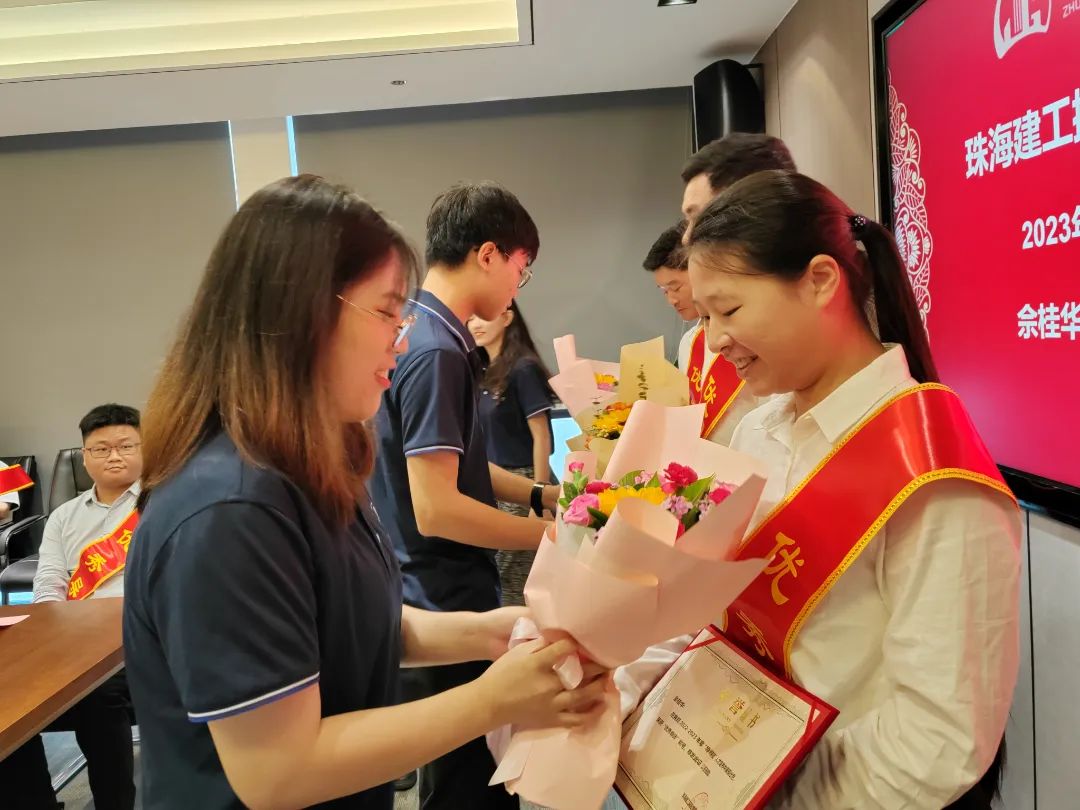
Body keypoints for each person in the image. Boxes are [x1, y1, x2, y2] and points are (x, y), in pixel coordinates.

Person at [122, 174, 606, 810]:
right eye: (385, 313)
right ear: (301, 316)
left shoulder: (309, 464)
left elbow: (352, 622)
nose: (401, 339)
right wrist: (493, 699)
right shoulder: (230, 509)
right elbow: (278, 772)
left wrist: (493, 632)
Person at [617, 170, 1020, 809]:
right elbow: (713, 610)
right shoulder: (758, 429)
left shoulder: (934, 477)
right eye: (706, 314)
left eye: (729, 311)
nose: (713, 340)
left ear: (821, 280)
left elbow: (937, 740)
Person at [371, 181, 563, 809]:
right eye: (520, 268)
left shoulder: (423, 329)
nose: (517, 286)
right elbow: (437, 509)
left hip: (423, 581)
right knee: (468, 785)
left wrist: (540, 496)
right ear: (487, 254)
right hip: (441, 588)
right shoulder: (436, 351)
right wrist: (555, 535)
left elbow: (462, 465)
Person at [0, 403, 141, 810]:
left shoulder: (164, 503)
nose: (113, 456)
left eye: (125, 446)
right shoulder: (64, 516)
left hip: (139, 638)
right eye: (101, 449)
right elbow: (49, 582)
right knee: (9, 690)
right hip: (76, 640)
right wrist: (52, 637)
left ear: (144, 449)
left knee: (97, 696)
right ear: (85, 455)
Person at [468, 300, 556, 607]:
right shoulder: (481, 370)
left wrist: (539, 497)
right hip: (494, 483)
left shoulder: (523, 368)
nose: (476, 324)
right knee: (503, 577)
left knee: (517, 579)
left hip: (523, 482)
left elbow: (541, 435)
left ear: (507, 317)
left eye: (483, 316)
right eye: (471, 318)